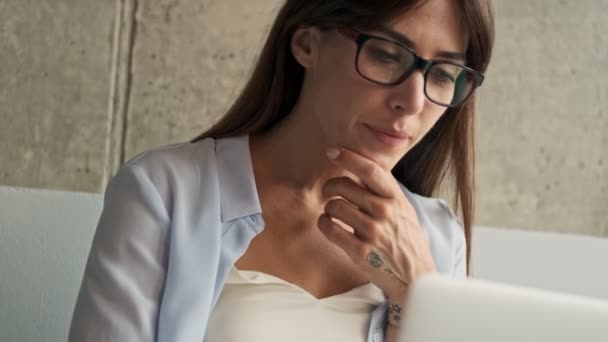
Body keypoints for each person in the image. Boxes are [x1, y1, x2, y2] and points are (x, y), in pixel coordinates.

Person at [68, 0, 494, 341]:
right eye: (386, 55)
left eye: (444, 75)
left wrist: (414, 293)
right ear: (307, 44)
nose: (413, 102)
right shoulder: (164, 193)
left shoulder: (438, 238)